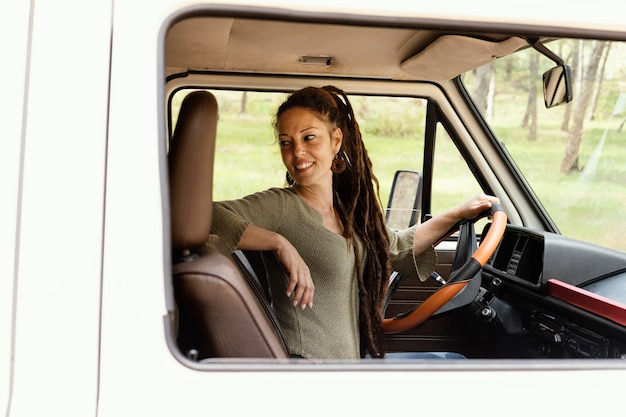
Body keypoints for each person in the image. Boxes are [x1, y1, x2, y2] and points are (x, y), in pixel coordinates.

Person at [210, 85, 499, 359]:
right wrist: (278, 243)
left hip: (344, 366)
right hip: (308, 367)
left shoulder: (349, 212)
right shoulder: (280, 205)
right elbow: (204, 215)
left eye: (309, 138)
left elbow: (396, 247)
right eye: (287, 143)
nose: (297, 152)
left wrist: (460, 212)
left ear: (336, 140)